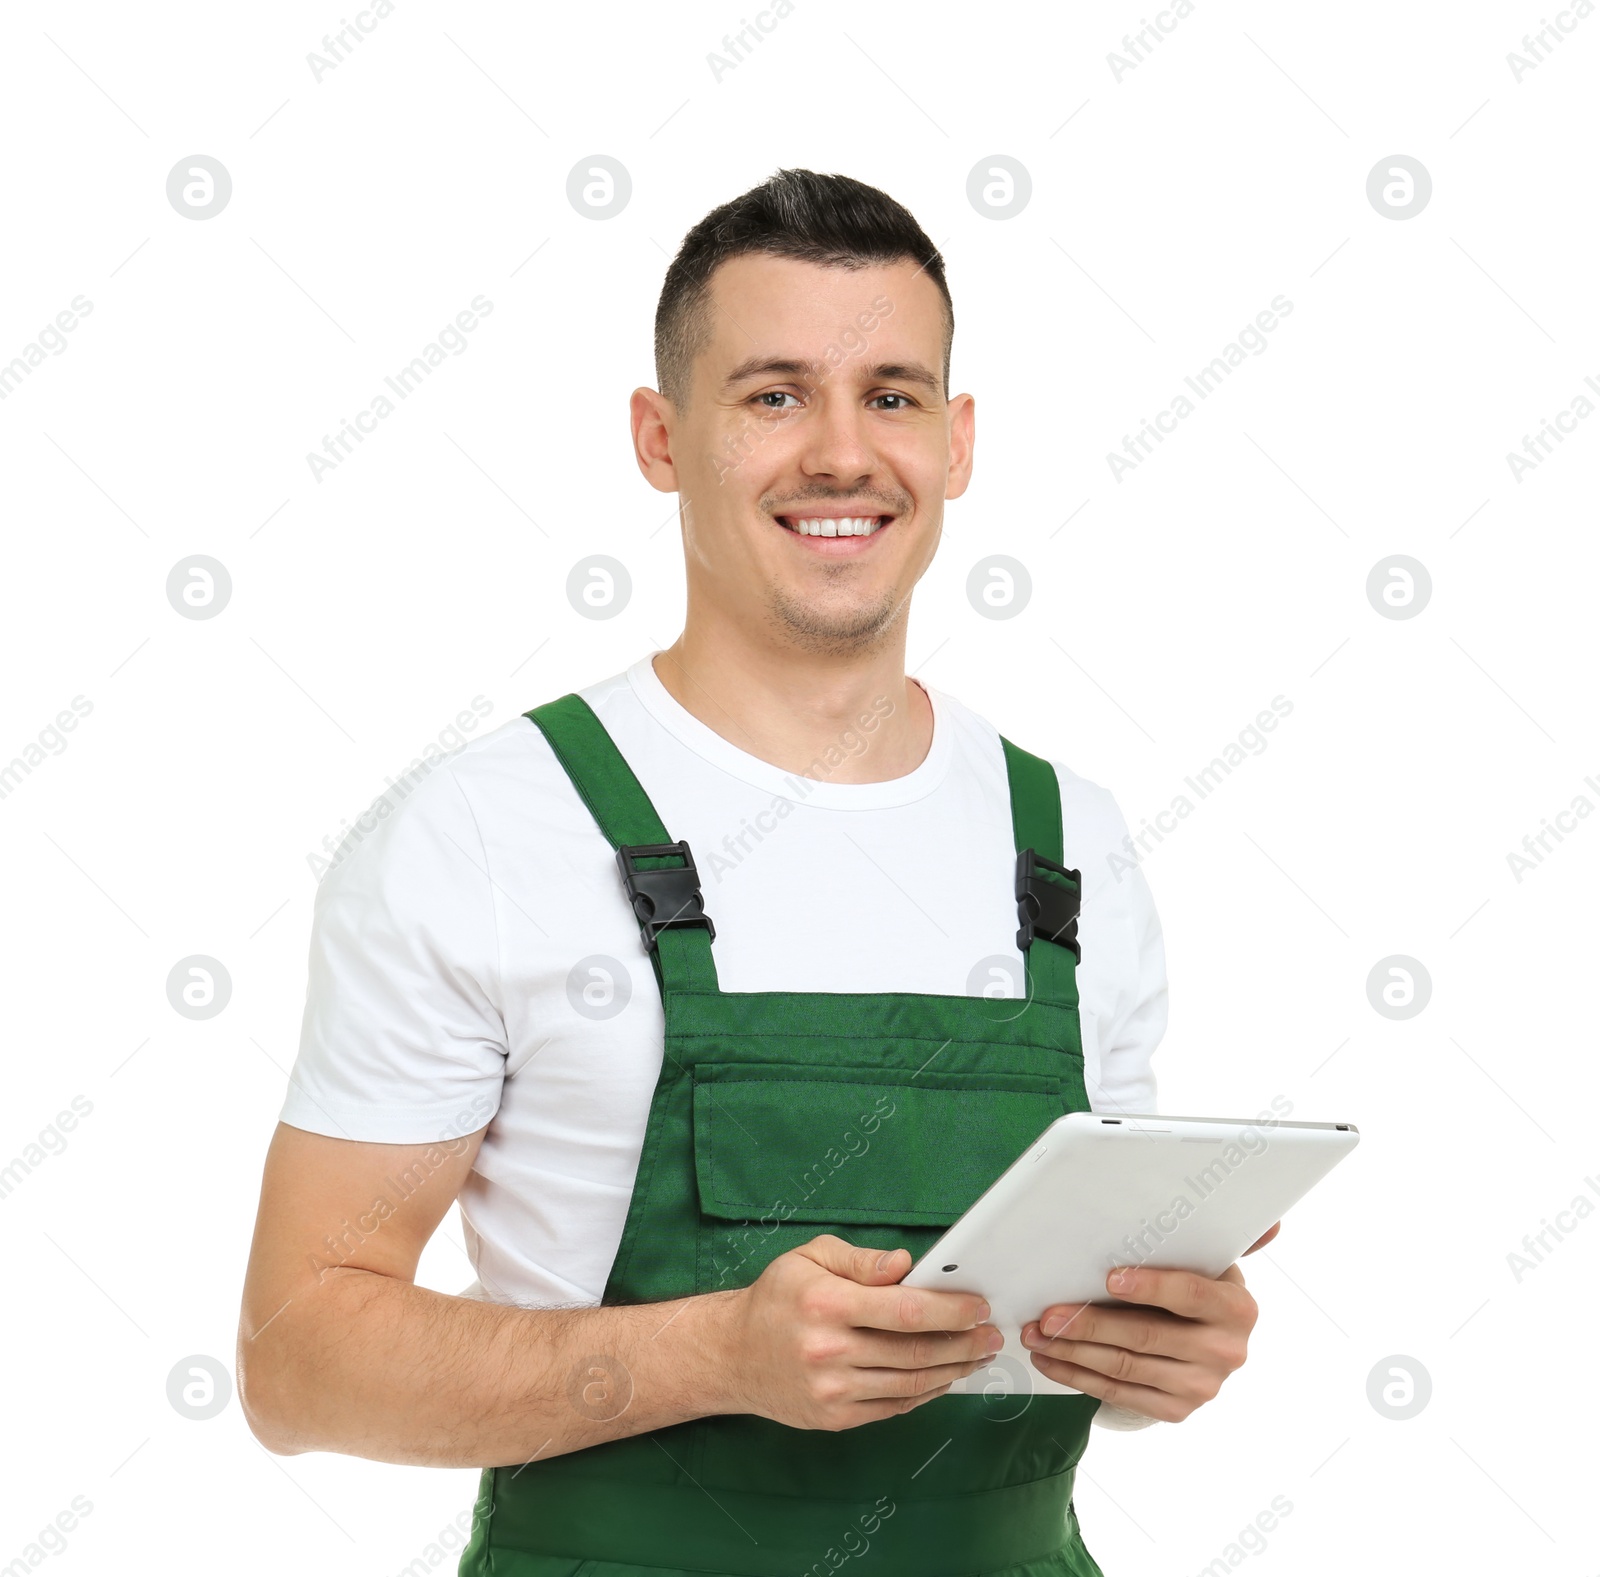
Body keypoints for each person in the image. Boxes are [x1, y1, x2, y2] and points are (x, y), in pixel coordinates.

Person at [239, 168, 1270, 1577]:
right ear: (662, 439)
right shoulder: (484, 831)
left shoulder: (1072, 843)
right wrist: (715, 1352)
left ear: (959, 444)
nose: (843, 454)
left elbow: (1071, 1322)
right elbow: (298, 1359)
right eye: (774, 395)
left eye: (893, 395)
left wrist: (1158, 1350)